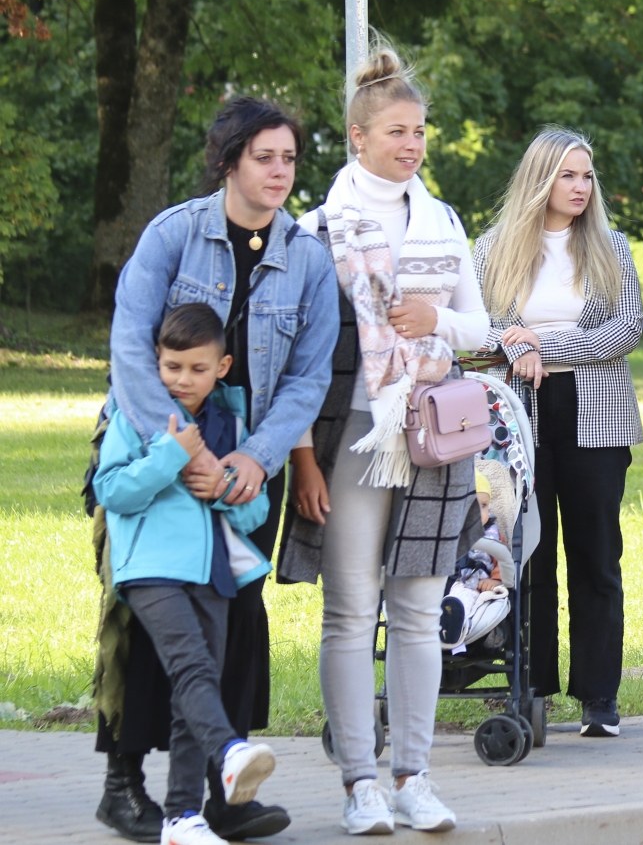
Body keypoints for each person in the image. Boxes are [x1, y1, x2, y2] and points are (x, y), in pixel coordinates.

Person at [98, 97, 337, 842]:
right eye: (264, 157)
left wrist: (254, 458)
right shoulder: (173, 233)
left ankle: (214, 792)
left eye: (289, 158)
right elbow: (130, 345)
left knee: (231, 623)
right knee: (147, 622)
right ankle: (123, 786)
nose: (279, 171)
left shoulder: (307, 256)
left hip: (244, 465)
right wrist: (185, 446)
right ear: (230, 161)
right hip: (151, 446)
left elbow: (308, 376)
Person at [280, 45, 488, 835]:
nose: (412, 145)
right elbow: (289, 357)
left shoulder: (443, 221)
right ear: (358, 138)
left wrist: (437, 322)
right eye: (397, 131)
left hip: (431, 434)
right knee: (349, 610)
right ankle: (360, 782)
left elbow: (481, 327)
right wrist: (301, 454)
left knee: (417, 607)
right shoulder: (316, 229)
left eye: (420, 132)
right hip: (349, 438)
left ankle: (415, 775)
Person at [472, 128, 643, 738]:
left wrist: (543, 344)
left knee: (598, 555)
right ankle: (529, 687)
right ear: (541, 180)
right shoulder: (491, 249)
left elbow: (627, 330)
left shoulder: (610, 246)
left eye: (587, 176)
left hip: (595, 414)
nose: (581, 187)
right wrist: (511, 346)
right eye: (569, 175)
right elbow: (477, 329)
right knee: (525, 553)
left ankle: (600, 697)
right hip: (515, 415)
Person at [95, 304, 280, 845]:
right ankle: (229, 751)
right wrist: (169, 458)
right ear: (155, 362)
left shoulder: (231, 422)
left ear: (221, 367)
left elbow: (253, 513)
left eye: (197, 369)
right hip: (151, 570)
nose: (182, 379)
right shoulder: (132, 413)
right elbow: (112, 490)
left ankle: (182, 818)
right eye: (172, 367)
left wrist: (222, 487)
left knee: (195, 691)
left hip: (215, 575)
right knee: (193, 666)